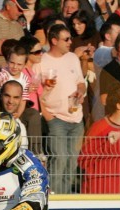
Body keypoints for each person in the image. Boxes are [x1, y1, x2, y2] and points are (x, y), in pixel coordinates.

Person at [36, 23, 86, 193]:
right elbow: (36, 91)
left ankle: (65, 199)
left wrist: (80, 91)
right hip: (55, 117)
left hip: (76, 117)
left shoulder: (72, 58)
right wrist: (48, 116)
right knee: (59, 159)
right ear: (54, 41)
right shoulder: (41, 61)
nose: (71, 42)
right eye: (66, 39)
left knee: (71, 161)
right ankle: (53, 197)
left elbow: (81, 82)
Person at [79, 85, 120, 193]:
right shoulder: (99, 127)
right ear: (119, 105)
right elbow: (83, 162)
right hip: (97, 189)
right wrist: (107, 144)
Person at [0, 0, 28, 68]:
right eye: (19, 9)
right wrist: (17, 46)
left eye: (22, 10)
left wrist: (6, 43)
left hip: (15, 69)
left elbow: (23, 49)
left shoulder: (17, 25)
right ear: (8, 6)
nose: (21, 13)